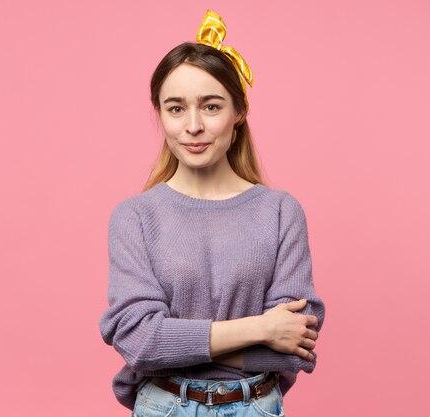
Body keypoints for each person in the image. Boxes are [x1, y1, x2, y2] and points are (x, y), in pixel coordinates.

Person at [99, 10, 325, 417]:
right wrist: (260, 329)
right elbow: (139, 340)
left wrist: (180, 346)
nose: (193, 126)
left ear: (238, 113)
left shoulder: (279, 212)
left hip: (255, 407)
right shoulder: (134, 217)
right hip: (164, 407)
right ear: (161, 116)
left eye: (211, 106)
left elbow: (297, 344)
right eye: (176, 108)